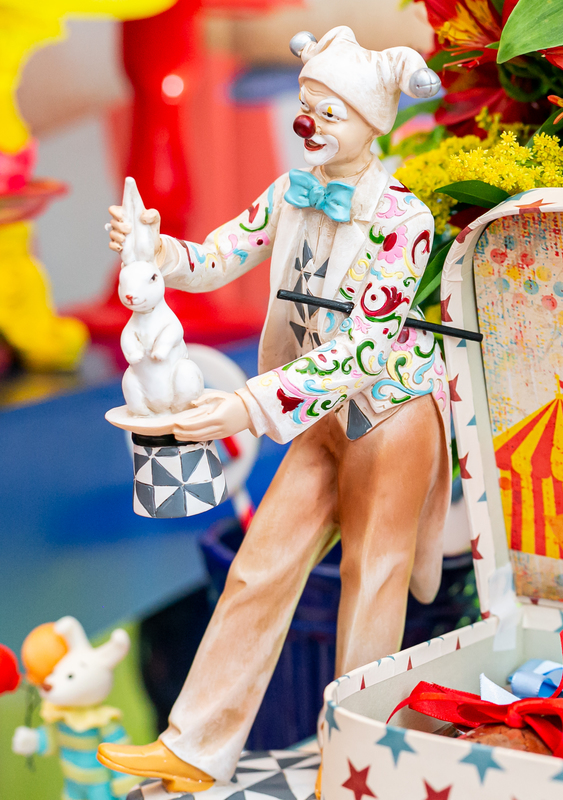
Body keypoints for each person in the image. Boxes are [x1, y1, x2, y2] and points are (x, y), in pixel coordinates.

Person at [96, 27, 449, 792]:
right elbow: (219, 257)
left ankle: (356, 766)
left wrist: (248, 408)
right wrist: (158, 255)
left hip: (391, 416)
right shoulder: (290, 191)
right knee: (258, 568)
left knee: (372, 582)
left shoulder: (404, 220)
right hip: (312, 414)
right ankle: (195, 747)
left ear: (371, 122)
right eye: (307, 105)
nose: (310, 123)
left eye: (330, 110)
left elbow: (367, 345)